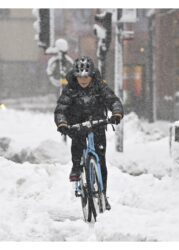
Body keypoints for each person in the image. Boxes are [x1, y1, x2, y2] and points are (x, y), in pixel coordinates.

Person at [54, 56, 124, 210]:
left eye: (86, 76)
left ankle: (103, 195)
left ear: (92, 75)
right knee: (78, 145)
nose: (83, 80)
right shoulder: (70, 89)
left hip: (98, 125)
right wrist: (62, 123)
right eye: (80, 77)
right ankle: (76, 168)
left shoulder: (100, 87)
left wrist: (117, 113)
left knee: (101, 160)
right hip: (77, 126)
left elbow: (113, 100)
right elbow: (61, 109)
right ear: (75, 76)